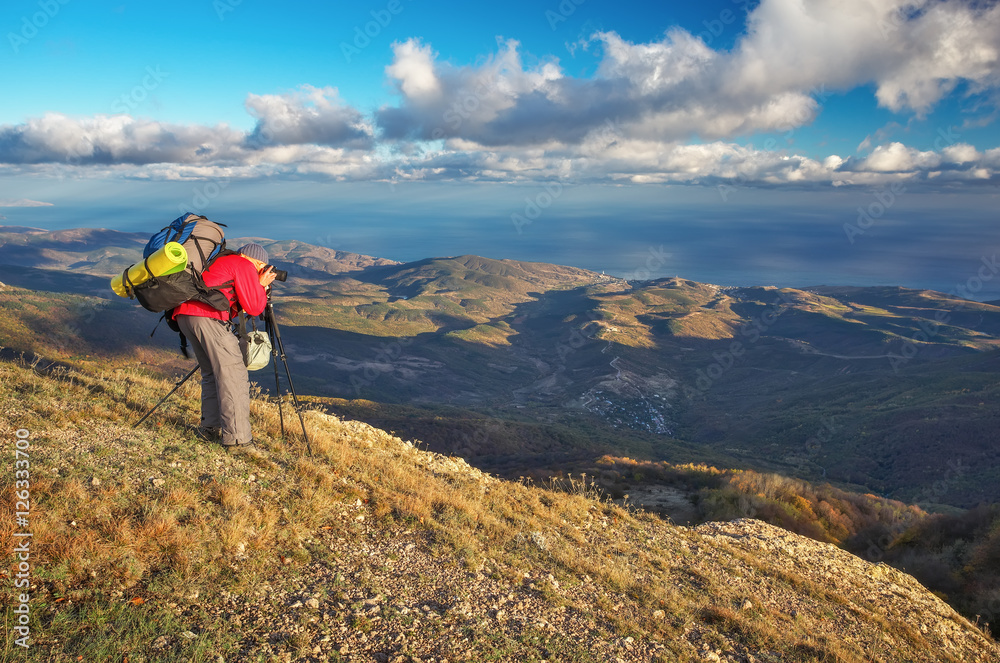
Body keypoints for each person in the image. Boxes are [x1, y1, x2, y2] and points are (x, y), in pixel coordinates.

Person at [173, 243, 277, 448]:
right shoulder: (243, 264)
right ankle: (238, 440)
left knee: (212, 373)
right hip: (207, 318)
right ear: (253, 259)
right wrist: (261, 285)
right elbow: (255, 308)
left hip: (185, 316)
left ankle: (210, 429)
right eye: (261, 265)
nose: (260, 270)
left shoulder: (223, 261)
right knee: (233, 374)